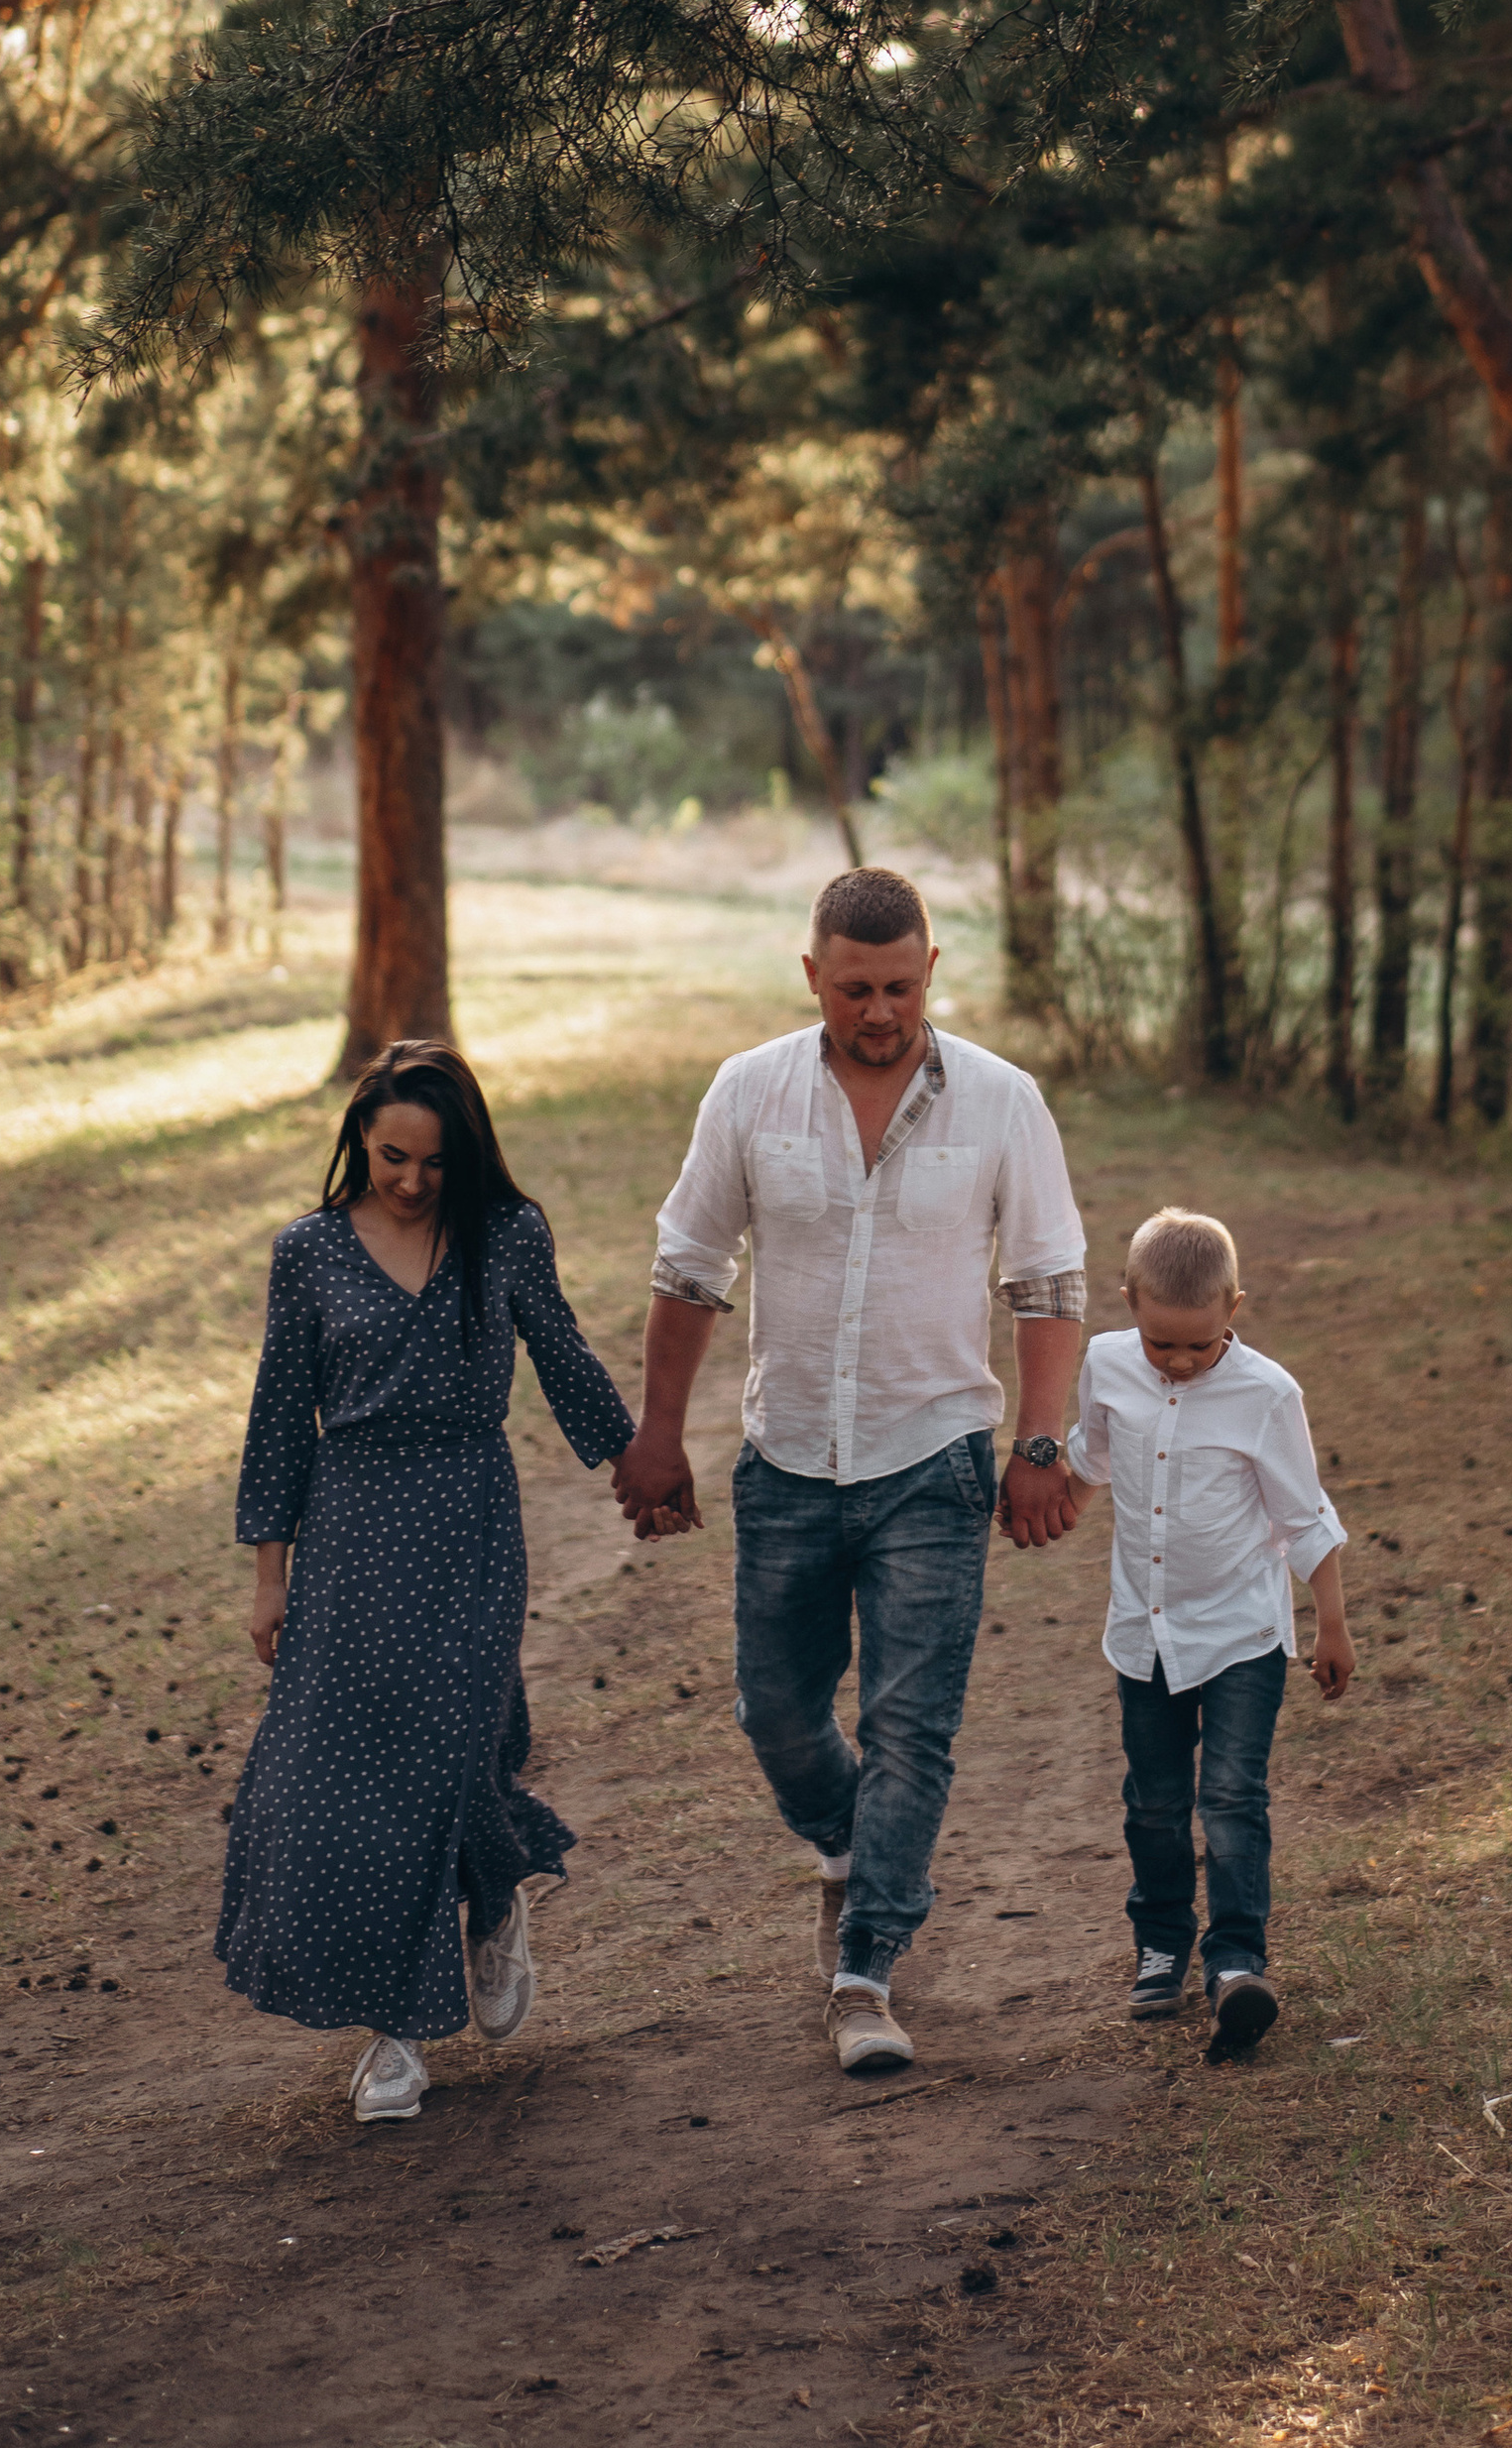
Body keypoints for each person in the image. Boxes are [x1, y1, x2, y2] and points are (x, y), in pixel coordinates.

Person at [613, 864, 1088, 2076]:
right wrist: (659, 1434)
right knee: (774, 1711)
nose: (878, 1012)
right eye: (852, 990)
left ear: (931, 972)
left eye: (898, 988)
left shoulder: (1002, 1100)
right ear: (811, 976)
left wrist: (1039, 1445)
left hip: (934, 1458)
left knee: (909, 1726)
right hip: (787, 1457)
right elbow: (689, 1267)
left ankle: (865, 1969)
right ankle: (847, 1844)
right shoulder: (749, 1090)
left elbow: (1045, 1286)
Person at [220, 1038, 650, 2126]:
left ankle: (490, 1907)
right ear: (359, 1141)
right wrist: (270, 1579)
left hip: (467, 1519)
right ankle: (397, 2031)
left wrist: (635, 1461)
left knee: (449, 1754)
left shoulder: (506, 1232)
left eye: (436, 1161)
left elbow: (560, 1351)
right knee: (346, 1784)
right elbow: (280, 1417)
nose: (413, 1181)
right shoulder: (309, 1252)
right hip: (352, 1530)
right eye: (393, 1157)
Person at [1065, 1204, 1353, 2063]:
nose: (1182, 1360)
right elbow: (1090, 1458)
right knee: (1154, 1801)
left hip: (1241, 1635)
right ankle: (1161, 1944)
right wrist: (1044, 1502)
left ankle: (1235, 1961)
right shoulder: (1105, 1363)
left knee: (1230, 1796)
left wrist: (1331, 1624)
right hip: (1144, 1633)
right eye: (1162, 1343)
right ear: (1129, 1305)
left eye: (1201, 1342)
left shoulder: (1267, 1395)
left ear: (1234, 1308)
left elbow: (1303, 1516)